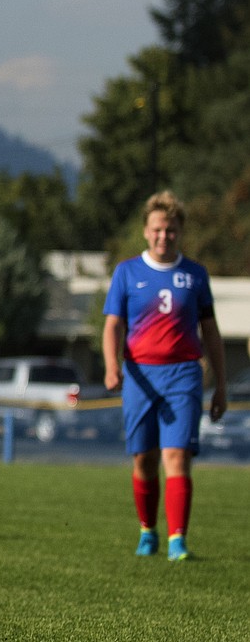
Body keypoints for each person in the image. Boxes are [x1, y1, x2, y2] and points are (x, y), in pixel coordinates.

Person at [102, 189, 227, 562]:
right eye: (157, 229)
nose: (163, 236)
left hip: (184, 374)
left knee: (177, 455)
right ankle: (147, 531)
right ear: (146, 231)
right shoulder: (127, 272)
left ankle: (177, 540)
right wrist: (111, 365)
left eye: (170, 230)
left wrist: (220, 385)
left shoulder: (195, 275)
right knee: (144, 458)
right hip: (140, 374)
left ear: (179, 232)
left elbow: (211, 332)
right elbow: (112, 325)